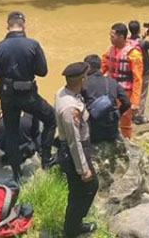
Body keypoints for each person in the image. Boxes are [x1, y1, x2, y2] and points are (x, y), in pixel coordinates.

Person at [0, 11, 57, 181]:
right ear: (23, 25)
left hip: (7, 96)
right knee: (50, 119)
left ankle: (16, 171)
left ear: (7, 26)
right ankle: (46, 158)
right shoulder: (33, 44)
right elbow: (42, 71)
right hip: (28, 95)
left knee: (11, 130)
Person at [55, 62, 98, 237]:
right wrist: (83, 169)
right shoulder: (70, 109)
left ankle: (75, 224)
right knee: (86, 188)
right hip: (74, 152)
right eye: (86, 76)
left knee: (79, 192)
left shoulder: (63, 93)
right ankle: (71, 231)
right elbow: (74, 141)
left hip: (74, 148)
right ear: (82, 79)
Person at [101, 23, 143, 138]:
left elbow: (137, 79)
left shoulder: (133, 54)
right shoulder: (110, 50)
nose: (110, 38)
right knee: (109, 117)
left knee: (125, 120)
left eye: (112, 36)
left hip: (125, 93)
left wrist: (135, 102)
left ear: (121, 37)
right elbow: (102, 67)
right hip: (110, 90)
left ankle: (126, 143)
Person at [82, 54, 131, 143]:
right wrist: (118, 114)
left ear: (88, 68)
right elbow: (127, 102)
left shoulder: (83, 83)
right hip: (111, 130)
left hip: (92, 131)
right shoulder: (112, 82)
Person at [127, 20, 149, 125]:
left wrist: (144, 35)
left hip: (131, 71)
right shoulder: (143, 43)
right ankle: (139, 116)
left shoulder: (127, 41)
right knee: (142, 93)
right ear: (139, 29)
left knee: (133, 92)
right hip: (143, 71)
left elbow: (138, 43)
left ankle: (130, 113)